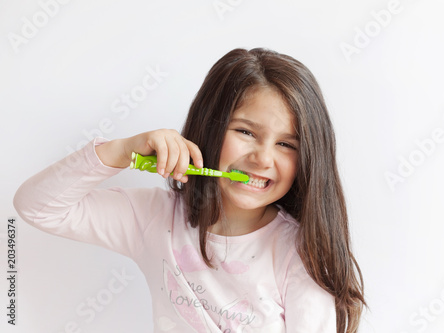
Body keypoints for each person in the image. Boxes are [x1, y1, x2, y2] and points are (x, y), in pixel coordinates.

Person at [14, 48, 366, 332]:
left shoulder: (300, 253)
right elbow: (37, 207)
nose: (262, 158)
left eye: (286, 144)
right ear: (209, 126)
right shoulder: (155, 218)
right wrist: (121, 152)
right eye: (246, 132)